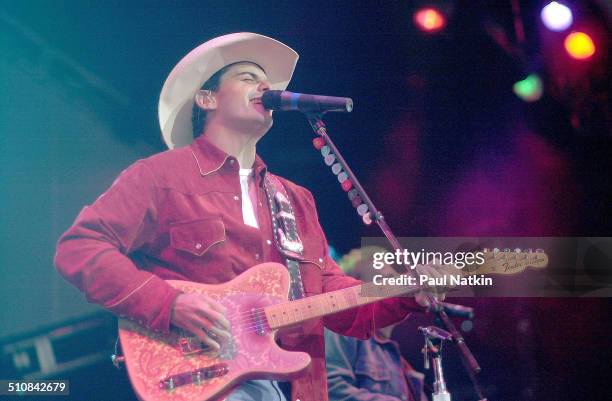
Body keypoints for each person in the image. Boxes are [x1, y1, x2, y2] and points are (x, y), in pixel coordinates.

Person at [54, 33, 424, 401]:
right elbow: (80, 249)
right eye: (248, 77)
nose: (265, 86)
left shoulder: (295, 199)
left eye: (266, 82)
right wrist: (168, 304)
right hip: (202, 375)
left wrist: (406, 296)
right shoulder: (159, 176)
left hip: (292, 384)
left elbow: (331, 299)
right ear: (207, 98)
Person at [325, 247, 428, 401]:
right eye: (382, 282)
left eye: (393, 278)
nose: (395, 287)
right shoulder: (340, 333)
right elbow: (331, 390)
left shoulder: (395, 356)